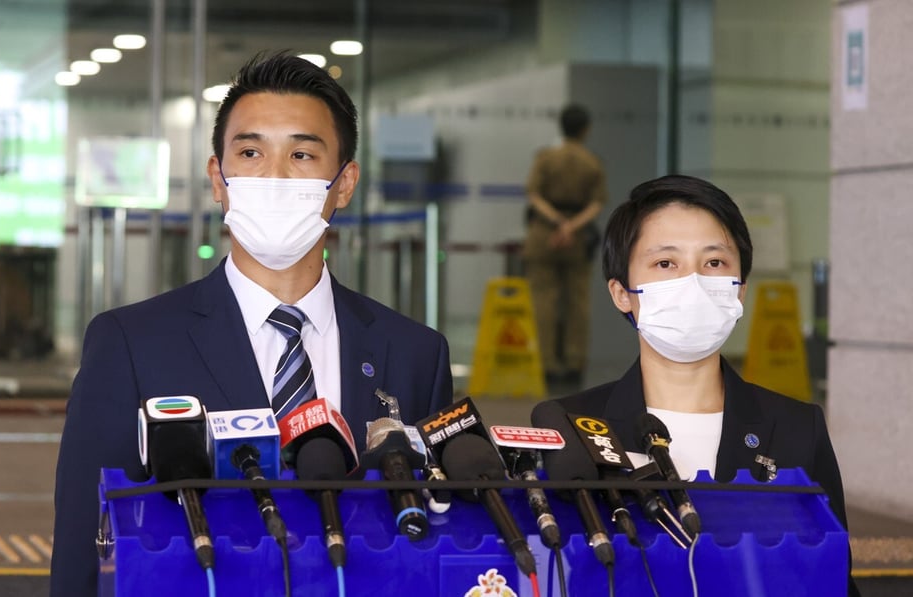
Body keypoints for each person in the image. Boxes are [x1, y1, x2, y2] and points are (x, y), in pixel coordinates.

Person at [50, 52, 454, 596]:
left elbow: (430, 547)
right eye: (250, 152)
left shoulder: (414, 354)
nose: (276, 177)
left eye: (303, 154)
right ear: (218, 179)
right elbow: (85, 545)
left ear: (344, 184)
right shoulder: (131, 345)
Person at [531, 174, 859, 596]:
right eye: (666, 264)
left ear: (739, 290)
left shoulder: (797, 428)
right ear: (621, 293)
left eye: (714, 263)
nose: (693, 283)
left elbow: (832, 577)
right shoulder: (570, 426)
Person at [523, 104, 607, 388]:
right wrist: (571, 226)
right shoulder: (591, 161)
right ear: (586, 129)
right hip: (578, 237)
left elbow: (533, 194)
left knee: (543, 300)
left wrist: (557, 221)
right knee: (578, 302)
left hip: (543, 234)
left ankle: (547, 364)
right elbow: (597, 203)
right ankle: (574, 363)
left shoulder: (546, 158)